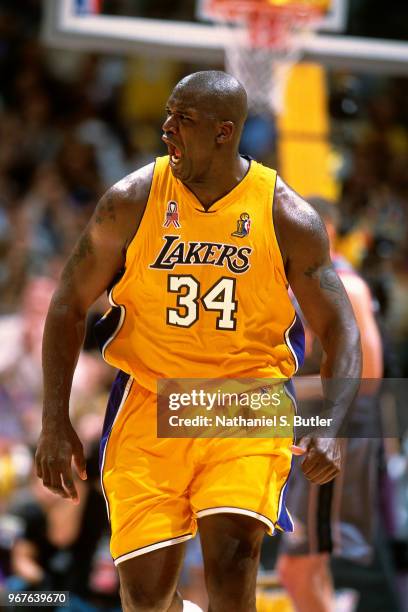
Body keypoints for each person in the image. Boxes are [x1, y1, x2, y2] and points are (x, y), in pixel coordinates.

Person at [35, 71, 361, 612]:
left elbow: (341, 327)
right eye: (168, 114)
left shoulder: (285, 215)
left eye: (182, 119)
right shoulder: (132, 200)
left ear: (223, 132)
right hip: (149, 400)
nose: (167, 129)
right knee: (145, 597)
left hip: (245, 403)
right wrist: (54, 418)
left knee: (232, 571)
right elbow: (69, 303)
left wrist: (333, 424)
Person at [277, 196, 384, 612]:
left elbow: (369, 376)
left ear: (328, 230)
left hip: (335, 436)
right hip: (315, 431)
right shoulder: (308, 279)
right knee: (311, 569)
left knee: (297, 569)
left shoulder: (343, 283)